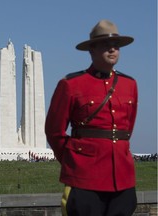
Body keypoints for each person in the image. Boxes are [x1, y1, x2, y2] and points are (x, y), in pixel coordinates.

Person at [45, 20, 138, 216]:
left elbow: (126, 130)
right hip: (84, 178)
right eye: (105, 44)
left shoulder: (130, 84)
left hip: (122, 178)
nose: (112, 49)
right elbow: (54, 131)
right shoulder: (71, 84)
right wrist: (76, 161)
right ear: (92, 50)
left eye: (116, 46)